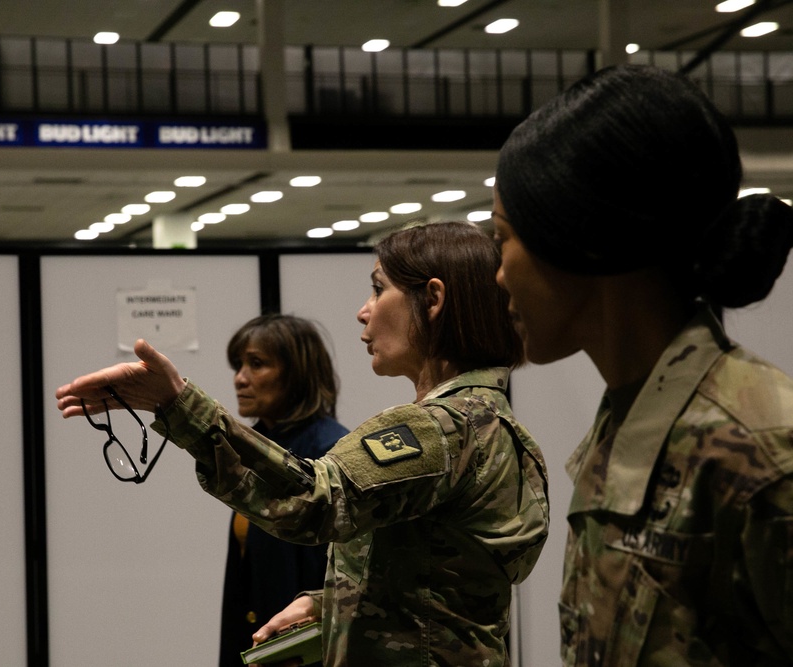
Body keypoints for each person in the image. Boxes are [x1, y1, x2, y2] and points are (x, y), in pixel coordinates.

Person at [56, 221, 549, 666]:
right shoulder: (495, 425)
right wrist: (329, 602)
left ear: (433, 300)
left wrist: (179, 404)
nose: (363, 312)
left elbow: (312, 501)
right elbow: (442, 589)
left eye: (379, 289)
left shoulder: (441, 428)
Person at [491, 63, 793, 665]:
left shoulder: (761, 451)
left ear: (580, 240)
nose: (498, 275)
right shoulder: (628, 420)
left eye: (503, 238)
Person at [218, 314, 348, 667]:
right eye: (239, 365)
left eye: (257, 364)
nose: (240, 378)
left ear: (296, 375)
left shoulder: (332, 449)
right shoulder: (255, 448)